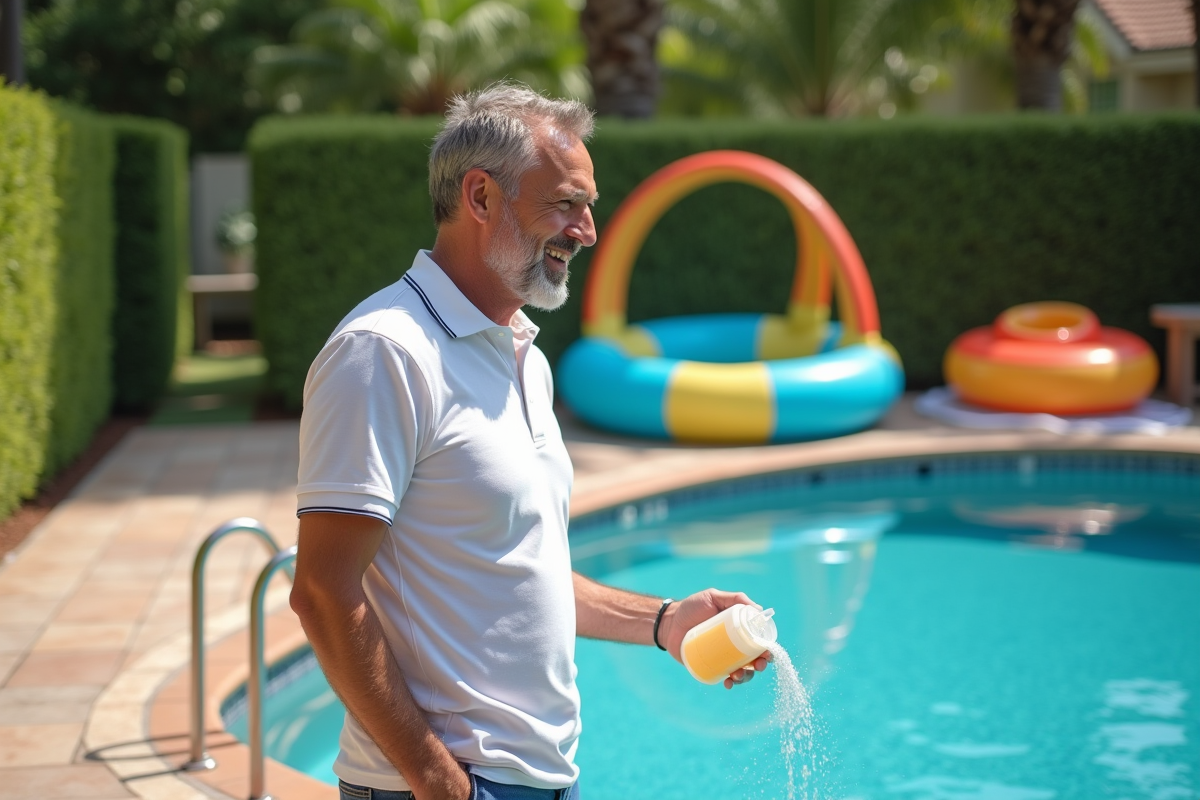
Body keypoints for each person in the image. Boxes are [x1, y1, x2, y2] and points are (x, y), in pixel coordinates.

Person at [290, 83, 771, 800]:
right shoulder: (384, 352)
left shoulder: (523, 354)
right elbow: (324, 593)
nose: (587, 230)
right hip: (443, 785)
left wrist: (665, 621)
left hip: (540, 780)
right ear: (480, 197)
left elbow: (518, 569)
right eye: (565, 204)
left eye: (588, 207)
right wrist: (440, 784)